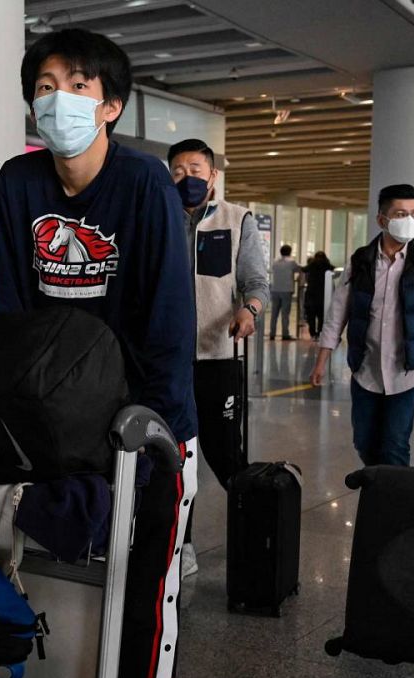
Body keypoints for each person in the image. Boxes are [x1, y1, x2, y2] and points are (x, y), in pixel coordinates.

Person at [0, 28, 197, 678]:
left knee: (147, 583)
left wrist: (153, 435)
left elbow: (166, 321)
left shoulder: (143, 185)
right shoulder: (18, 182)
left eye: (78, 86)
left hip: (144, 419)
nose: (58, 100)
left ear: (110, 105)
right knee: (49, 567)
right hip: (54, 416)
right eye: (45, 85)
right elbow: (12, 307)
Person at [166, 137, 269, 578]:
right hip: (166, 362)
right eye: (177, 171)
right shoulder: (159, 216)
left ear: (213, 176)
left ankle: (255, 537)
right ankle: (180, 545)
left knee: (225, 454)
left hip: (216, 357)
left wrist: (250, 309)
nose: (187, 177)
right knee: (172, 459)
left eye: (195, 169)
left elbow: (256, 282)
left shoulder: (236, 219)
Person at [309, 183, 414, 466]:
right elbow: (338, 313)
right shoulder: (361, 261)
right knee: (364, 441)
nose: (410, 221)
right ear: (382, 220)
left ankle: (391, 504)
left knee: (395, 444)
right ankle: (378, 485)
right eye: (401, 214)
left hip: (407, 371)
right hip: (366, 368)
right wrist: (321, 361)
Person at [269, 244, 301, 339]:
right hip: (287, 290)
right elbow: (299, 270)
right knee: (285, 314)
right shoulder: (292, 262)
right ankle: (285, 334)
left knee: (274, 313)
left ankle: (272, 333)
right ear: (290, 252)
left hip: (275, 290)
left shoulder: (275, 262)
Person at [302, 251, 335, 338]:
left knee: (311, 315)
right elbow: (333, 268)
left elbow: (304, 269)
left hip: (311, 294)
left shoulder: (312, 265)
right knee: (322, 315)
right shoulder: (327, 265)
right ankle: (320, 332)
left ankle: (312, 333)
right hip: (323, 294)